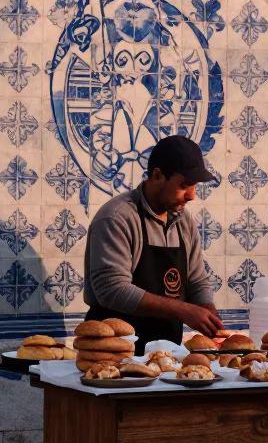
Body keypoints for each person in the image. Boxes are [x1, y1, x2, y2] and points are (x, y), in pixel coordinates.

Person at [82, 135, 222, 353]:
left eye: (194, 186)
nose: (192, 196)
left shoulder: (183, 220)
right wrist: (183, 310)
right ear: (157, 176)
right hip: (114, 354)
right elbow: (111, 289)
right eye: (184, 185)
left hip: (167, 354)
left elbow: (196, 281)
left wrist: (206, 309)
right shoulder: (117, 218)